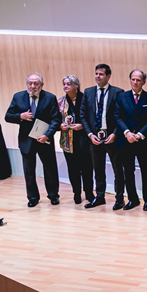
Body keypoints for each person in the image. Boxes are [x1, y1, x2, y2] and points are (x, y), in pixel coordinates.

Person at [4, 73, 62, 207]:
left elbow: (56, 119)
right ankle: (32, 197)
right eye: (30, 83)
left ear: (41, 84)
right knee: (29, 171)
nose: (33, 86)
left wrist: (47, 134)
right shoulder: (18, 97)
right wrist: (20, 116)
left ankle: (53, 195)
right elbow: (8, 116)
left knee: (50, 169)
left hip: (44, 139)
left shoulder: (50, 98)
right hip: (26, 141)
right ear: (27, 84)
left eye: (36, 83)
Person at [80, 64, 126, 210]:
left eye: (101, 74)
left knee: (118, 170)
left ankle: (119, 199)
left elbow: (122, 116)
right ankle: (100, 197)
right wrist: (90, 134)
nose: (97, 76)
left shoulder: (118, 92)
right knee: (98, 169)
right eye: (96, 73)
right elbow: (83, 115)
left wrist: (114, 133)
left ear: (108, 76)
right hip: (94, 136)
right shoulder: (88, 92)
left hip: (112, 135)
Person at [114, 69, 147, 211]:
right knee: (128, 171)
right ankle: (133, 199)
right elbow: (117, 116)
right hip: (126, 140)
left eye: (138, 80)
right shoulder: (122, 96)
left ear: (144, 82)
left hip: (143, 140)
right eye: (133, 79)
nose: (135, 82)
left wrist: (139, 135)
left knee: (146, 171)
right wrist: (127, 133)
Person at [57, 75, 95, 205]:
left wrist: (82, 126)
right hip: (68, 141)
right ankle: (76, 193)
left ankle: (89, 193)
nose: (65, 86)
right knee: (73, 170)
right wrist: (60, 126)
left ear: (76, 86)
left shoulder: (87, 99)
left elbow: (93, 120)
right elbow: (55, 120)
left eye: (68, 84)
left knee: (87, 169)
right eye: (64, 84)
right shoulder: (60, 102)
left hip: (85, 140)